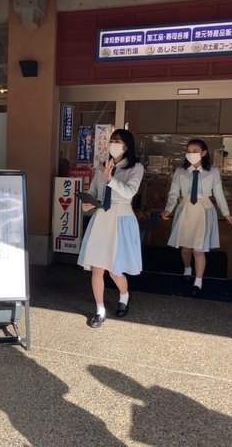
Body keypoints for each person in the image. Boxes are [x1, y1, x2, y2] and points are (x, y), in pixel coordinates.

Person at [77, 129, 144, 328]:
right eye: (111, 140)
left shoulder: (135, 167)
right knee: (97, 268)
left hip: (121, 218)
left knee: (115, 270)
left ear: (126, 145)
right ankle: (100, 309)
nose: (113, 144)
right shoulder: (101, 165)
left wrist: (110, 179)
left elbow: (129, 192)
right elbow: (93, 192)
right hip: (101, 219)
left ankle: (124, 295)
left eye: (118, 141)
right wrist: (88, 203)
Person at [161, 139, 232, 297]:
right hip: (185, 209)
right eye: (188, 151)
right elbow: (174, 192)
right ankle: (187, 268)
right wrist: (168, 209)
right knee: (186, 248)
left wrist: (226, 213)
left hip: (204, 210)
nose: (191, 154)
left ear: (204, 153)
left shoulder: (212, 171)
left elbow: (219, 194)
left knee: (199, 250)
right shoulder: (180, 171)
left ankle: (198, 281)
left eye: (195, 151)